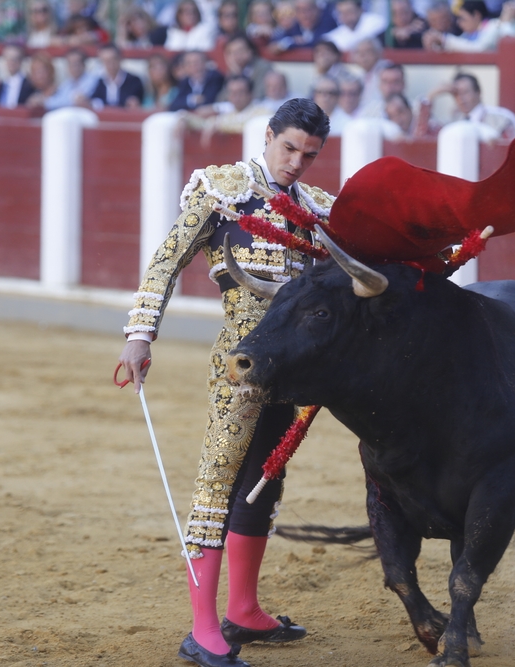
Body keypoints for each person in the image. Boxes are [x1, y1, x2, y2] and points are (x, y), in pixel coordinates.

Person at [118, 97, 335, 667]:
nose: (295, 163)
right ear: (267, 136)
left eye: (308, 155)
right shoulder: (223, 189)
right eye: (288, 148)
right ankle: (201, 628)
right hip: (238, 364)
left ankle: (242, 610)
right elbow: (169, 258)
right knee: (218, 481)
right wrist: (141, 333)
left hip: (291, 369)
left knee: (265, 479)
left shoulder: (314, 207)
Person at [415, 71, 515, 140]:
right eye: (456, 94)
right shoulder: (453, 121)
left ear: (478, 92)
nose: (461, 98)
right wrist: (431, 95)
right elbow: (421, 136)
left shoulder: (501, 118)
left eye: (465, 92)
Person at [219, 35, 274, 101]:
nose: (236, 55)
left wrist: (240, 77)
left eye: (240, 50)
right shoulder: (233, 71)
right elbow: (221, 100)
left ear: (250, 50)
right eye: (232, 52)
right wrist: (234, 76)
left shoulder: (263, 68)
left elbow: (258, 97)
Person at [90, 43, 145, 109]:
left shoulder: (134, 81)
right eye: (106, 61)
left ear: (120, 58)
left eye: (114, 59)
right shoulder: (98, 81)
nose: (111, 64)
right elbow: (93, 101)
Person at [269, 0, 339, 51]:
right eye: (300, 10)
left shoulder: (328, 24)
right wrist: (290, 41)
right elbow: (273, 46)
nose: (304, 15)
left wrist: (294, 44)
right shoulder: (294, 28)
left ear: (317, 10)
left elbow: (317, 44)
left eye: (308, 10)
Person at [321, 0, 388, 51]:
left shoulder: (375, 22)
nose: (346, 16)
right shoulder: (336, 34)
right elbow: (327, 39)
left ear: (360, 10)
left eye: (349, 11)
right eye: (342, 13)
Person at [0, 44, 35, 108]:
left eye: (15, 59)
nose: (11, 62)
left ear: (21, 61)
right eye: (8, 58)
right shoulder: (1, 84)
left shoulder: (29, 84)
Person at [351, 37, 390, 109]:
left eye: (367, 51)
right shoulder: (358, 74)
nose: (362, 56)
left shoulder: (387, 71)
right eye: (359, 52)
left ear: (378, 53)